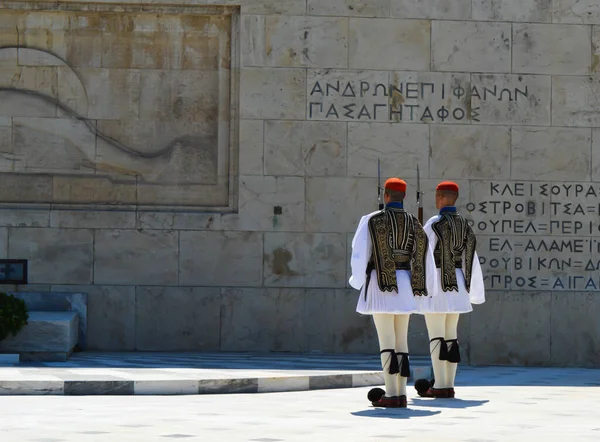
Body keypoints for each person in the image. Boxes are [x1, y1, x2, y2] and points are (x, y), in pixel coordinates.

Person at [349, 177, 436, 408]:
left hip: (381, 283)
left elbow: (359, 254)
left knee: (386, 341)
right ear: (404, 197)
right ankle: (400, 393)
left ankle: (391, 393)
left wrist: (357, 282)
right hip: (406, 284)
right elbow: (424, 258)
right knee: (401, 342)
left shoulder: (371, 220)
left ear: (385, 195)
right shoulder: (414, 223)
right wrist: (422, 287)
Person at [415, 181, 485, 399]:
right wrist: (472, 290)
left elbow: (421, 256)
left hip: (436, 284)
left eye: (437, 196)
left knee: (436, 336)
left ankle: (440, 385)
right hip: (458, 285)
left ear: (441, 197)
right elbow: (471, 261)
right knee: (451, 336)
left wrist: (417, 286)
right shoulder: (465, 225)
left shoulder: (434, 223)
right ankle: (448, 384)